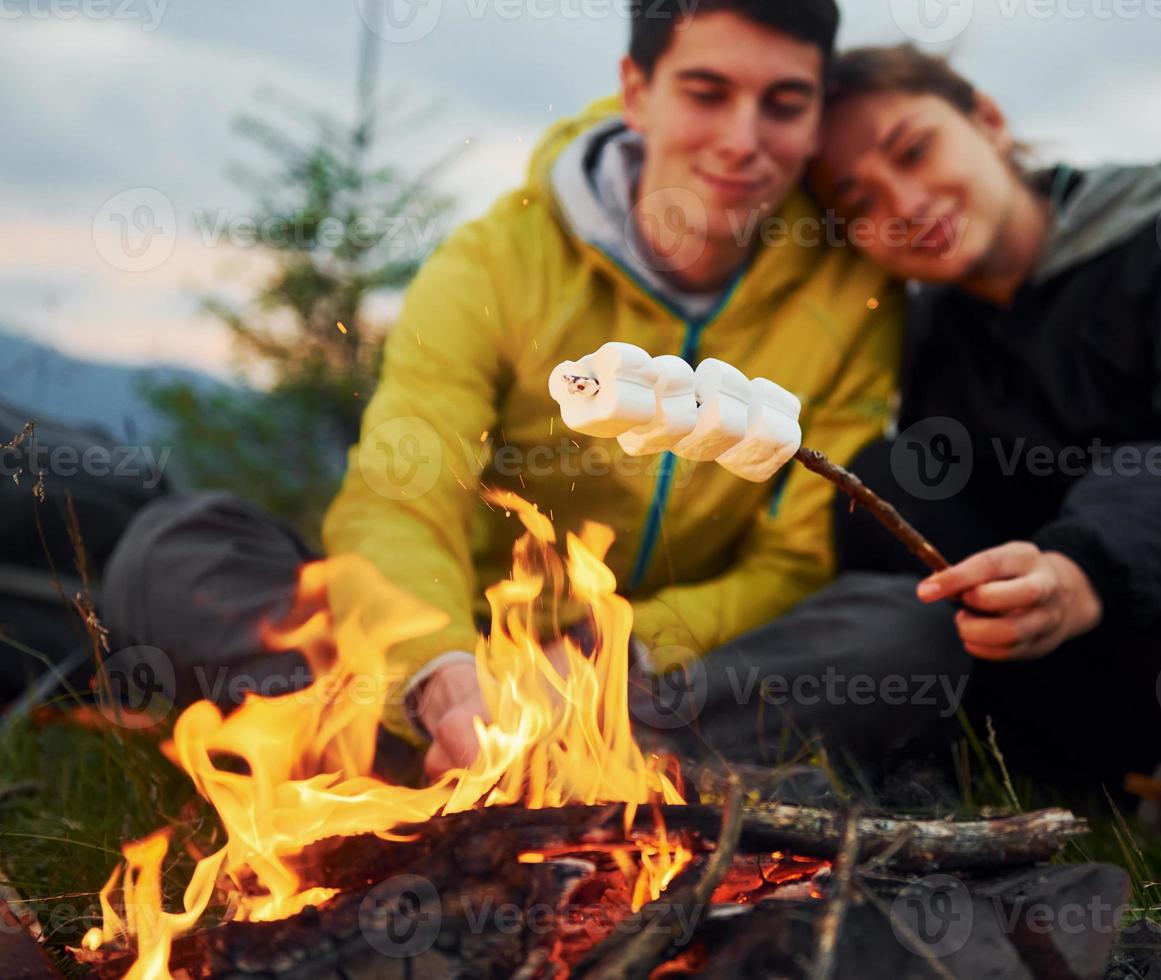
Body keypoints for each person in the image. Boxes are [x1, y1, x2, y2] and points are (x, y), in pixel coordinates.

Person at [665, 44, 1161, 978]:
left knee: (1145, 484)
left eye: (915, 150)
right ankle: (931, 787)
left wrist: (1086, 566)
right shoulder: (940, 331)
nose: (903, 204)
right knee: (897, 476)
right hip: (1088, 696)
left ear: (990, 121)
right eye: (860, 204)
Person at [100, 0, 900, 778]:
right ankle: (493, 751)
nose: (742, 140)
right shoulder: (494, 264)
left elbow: (797, 559)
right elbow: (401, 491)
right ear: (636, 92)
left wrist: (601, 652)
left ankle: (440, 765)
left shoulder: (851, 296)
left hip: (662, 667)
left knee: (906, 628)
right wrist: (442, 675)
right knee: (174, 551)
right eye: (706, 92)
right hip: (457, 650)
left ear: (817, 116)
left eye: (784, 104)